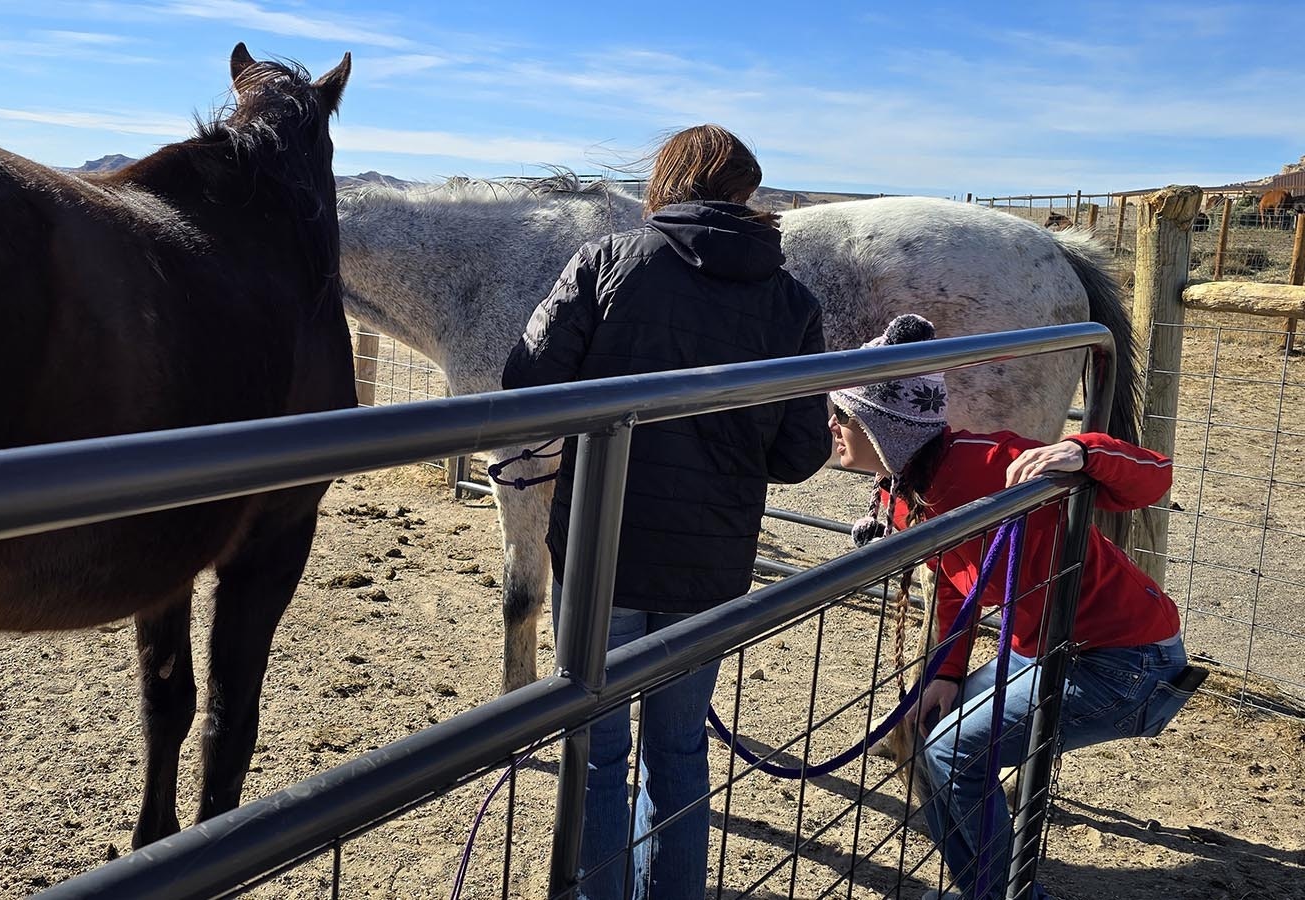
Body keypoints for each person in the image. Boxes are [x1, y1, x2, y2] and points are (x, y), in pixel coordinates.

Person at [501, 124, 832, 900]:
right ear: (748, 194)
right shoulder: (791, 301)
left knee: (598, 747)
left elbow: (527, 381)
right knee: (680, 749)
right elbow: (797, 455)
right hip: (709, 563)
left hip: (598, 548)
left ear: (668, 182)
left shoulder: (606, 263)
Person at [828, 314, 1194, 900]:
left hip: (1123, 663)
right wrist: (945, 674)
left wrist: (1083, 452)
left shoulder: (990, 463)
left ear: (882, 426)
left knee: (949, 755)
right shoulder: (904, 496)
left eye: (842, 415)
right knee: (924, 742)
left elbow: (1156, 479)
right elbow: (954, 586)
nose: (831, 425)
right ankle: (988, 890)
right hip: (1045, 653)